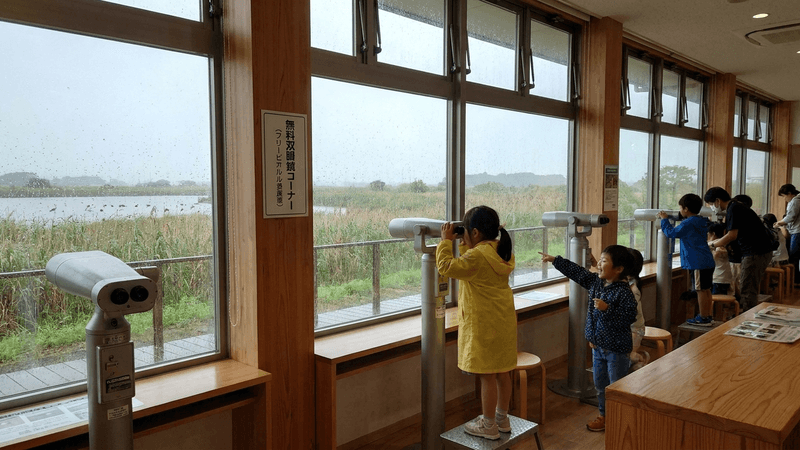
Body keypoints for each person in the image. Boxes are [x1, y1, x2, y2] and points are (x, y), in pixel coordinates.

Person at [436, 206, 516, 440]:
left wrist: (445, 242)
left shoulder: (477, 257)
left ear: (476, 233)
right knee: (503, 371)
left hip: (483, 322)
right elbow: (473, 262)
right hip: (503, 319)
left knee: (487, 375)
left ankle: (488, 424)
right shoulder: (502, 250)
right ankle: (502, 417)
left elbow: (447, 267)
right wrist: (463, 242)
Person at [540, 245, 637, 433]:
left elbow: (629, 317)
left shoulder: (624, 292)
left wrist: (607, 309)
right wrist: (555, 260)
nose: (599, 264)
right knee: (600, 386)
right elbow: (577, 272)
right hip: (597, 347)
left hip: (616, 350)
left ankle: (620, 419)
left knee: (617, 388)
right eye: (600, 260)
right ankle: (604, 416)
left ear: (618, 269)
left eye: (604, 261)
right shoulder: (596, 282)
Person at [705, 187, 774, 311]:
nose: (712, 207)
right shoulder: (737, 206)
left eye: (711, 204)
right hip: (760, 251)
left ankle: (747, 322)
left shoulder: (734, 208)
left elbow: (732, 235)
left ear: (717, 201)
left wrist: (712, 245)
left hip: (755, 252)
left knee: (747, 289)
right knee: (749, 287)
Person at [658, 194, 716, 325]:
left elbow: (672, 233)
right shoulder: (701, 220)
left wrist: (664, 220)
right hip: (706, 260)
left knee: (700, 290)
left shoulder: (688, 223)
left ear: (685, 209)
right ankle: (707, 315)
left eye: (680, 208)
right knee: (706, 290)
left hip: (697, 262)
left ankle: (703, 317)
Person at [624, 248, 647, 371]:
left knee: (629, 358)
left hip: (634, 330)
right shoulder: (627, 282)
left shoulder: (633, 289)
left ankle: (640, 361)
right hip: (627, 329)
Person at [775, 184, 800, 285]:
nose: (785, 199)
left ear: (790, 194)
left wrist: (779, 223)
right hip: (796, 230)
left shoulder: (795, 201)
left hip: (797, 231)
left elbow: (790, 217)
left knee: (794, 256)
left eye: (784, 196)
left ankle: (795, 281)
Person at [708, 222, 733, 296]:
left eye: (708, 234)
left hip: (718, 278)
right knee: (723, 298)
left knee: (716, 300)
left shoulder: (716, 244)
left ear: (713, 234)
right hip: (727, 278)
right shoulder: (727, 243)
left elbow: (715, 255)